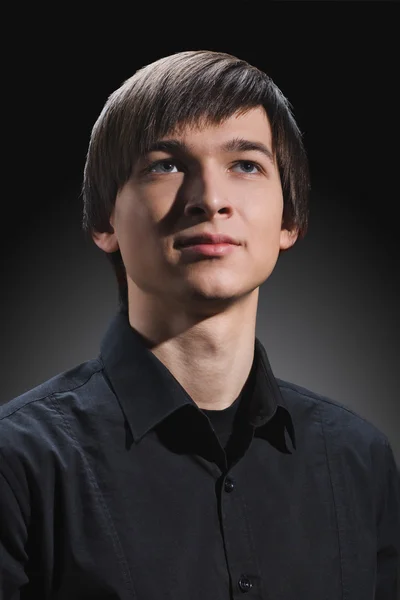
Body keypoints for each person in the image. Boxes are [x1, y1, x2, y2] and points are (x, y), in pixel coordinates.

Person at [0, 50, 399, 600]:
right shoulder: (17, 462)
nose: (210, 200)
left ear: (291, 220)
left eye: (246, 165)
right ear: (103, 220)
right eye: (165, 164)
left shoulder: (361, 461)